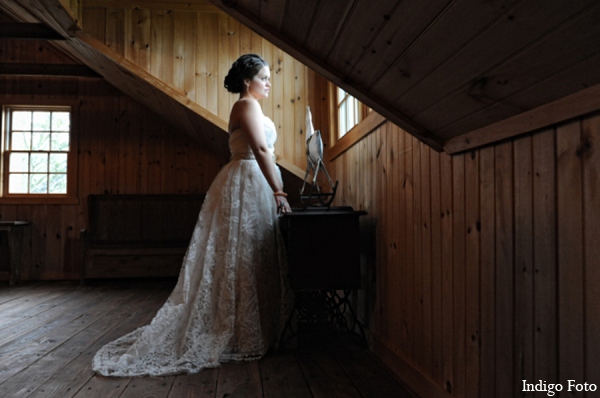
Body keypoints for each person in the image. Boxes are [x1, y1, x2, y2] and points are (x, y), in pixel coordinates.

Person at [92, 54, 291, 377]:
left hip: (251, 183)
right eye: (264, 77)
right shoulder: (246, 106)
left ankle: (254, 327)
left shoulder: (252, 107)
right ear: (247, 81)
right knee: (238, 256)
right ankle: (237, 330)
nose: (269, 83)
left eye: (270, 78)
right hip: (245, 180)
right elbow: (262, 150)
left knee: (248, 256)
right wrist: (279, 191)